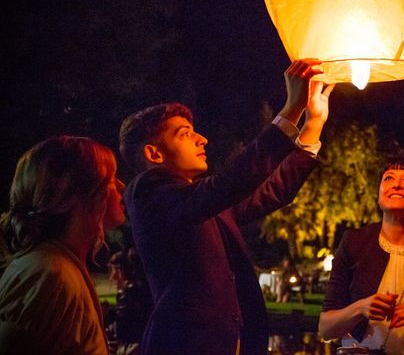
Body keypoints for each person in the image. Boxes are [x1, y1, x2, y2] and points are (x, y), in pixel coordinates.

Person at [119, 59, 333, 355]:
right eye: (184, 134)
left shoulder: (196, 202)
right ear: (153, 153)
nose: (202, 139)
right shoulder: (148, 195)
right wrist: (291, 110)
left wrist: (312, 125)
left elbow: (271, 192)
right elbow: (228, 184)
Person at [0, 135, 125, 355]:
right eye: (111, 179)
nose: (122, 186)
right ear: (74, 194)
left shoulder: (58, 267)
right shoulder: (49, 275)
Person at [319, 155, 404, 354]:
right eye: (389, 178)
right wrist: (360, 308)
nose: (396, 185)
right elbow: (325, 329)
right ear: (379, 193)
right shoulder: (354, 241)